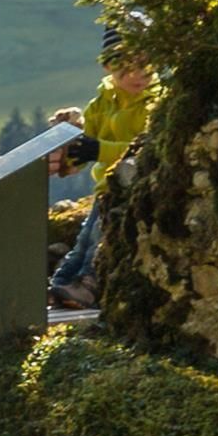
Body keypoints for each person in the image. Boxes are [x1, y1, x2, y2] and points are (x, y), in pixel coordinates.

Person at [49, 37, 162, 310]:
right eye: (127, 65)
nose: (139, 73)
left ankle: (88, 287)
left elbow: (145, 150)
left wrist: (98, 150)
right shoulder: (102, 102)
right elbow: (82, 155)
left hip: (133, 189)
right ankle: (60, 284)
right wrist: (68, 146)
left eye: (146, 63)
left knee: (99, 241)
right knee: (84, 241)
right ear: (108, 66)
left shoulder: (155, 102)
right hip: (105, 190)